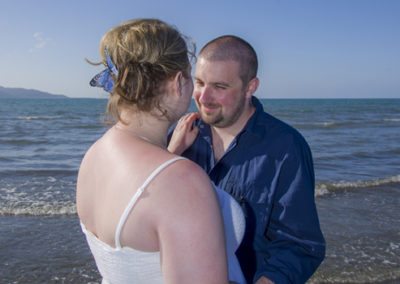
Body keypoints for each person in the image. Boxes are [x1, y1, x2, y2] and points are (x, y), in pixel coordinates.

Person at [77, 19, 246, 284]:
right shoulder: (181, 182)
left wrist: (171, 151)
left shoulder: (94, 156)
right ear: (178, 81)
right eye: (192, 77)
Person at [169, 35, 326, 283]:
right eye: (199, 82)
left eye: (219, 87)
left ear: (250, 87)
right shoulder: (179, 136)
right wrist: (170, 156)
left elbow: (301, 245)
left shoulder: (286, 148)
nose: (203, 97)